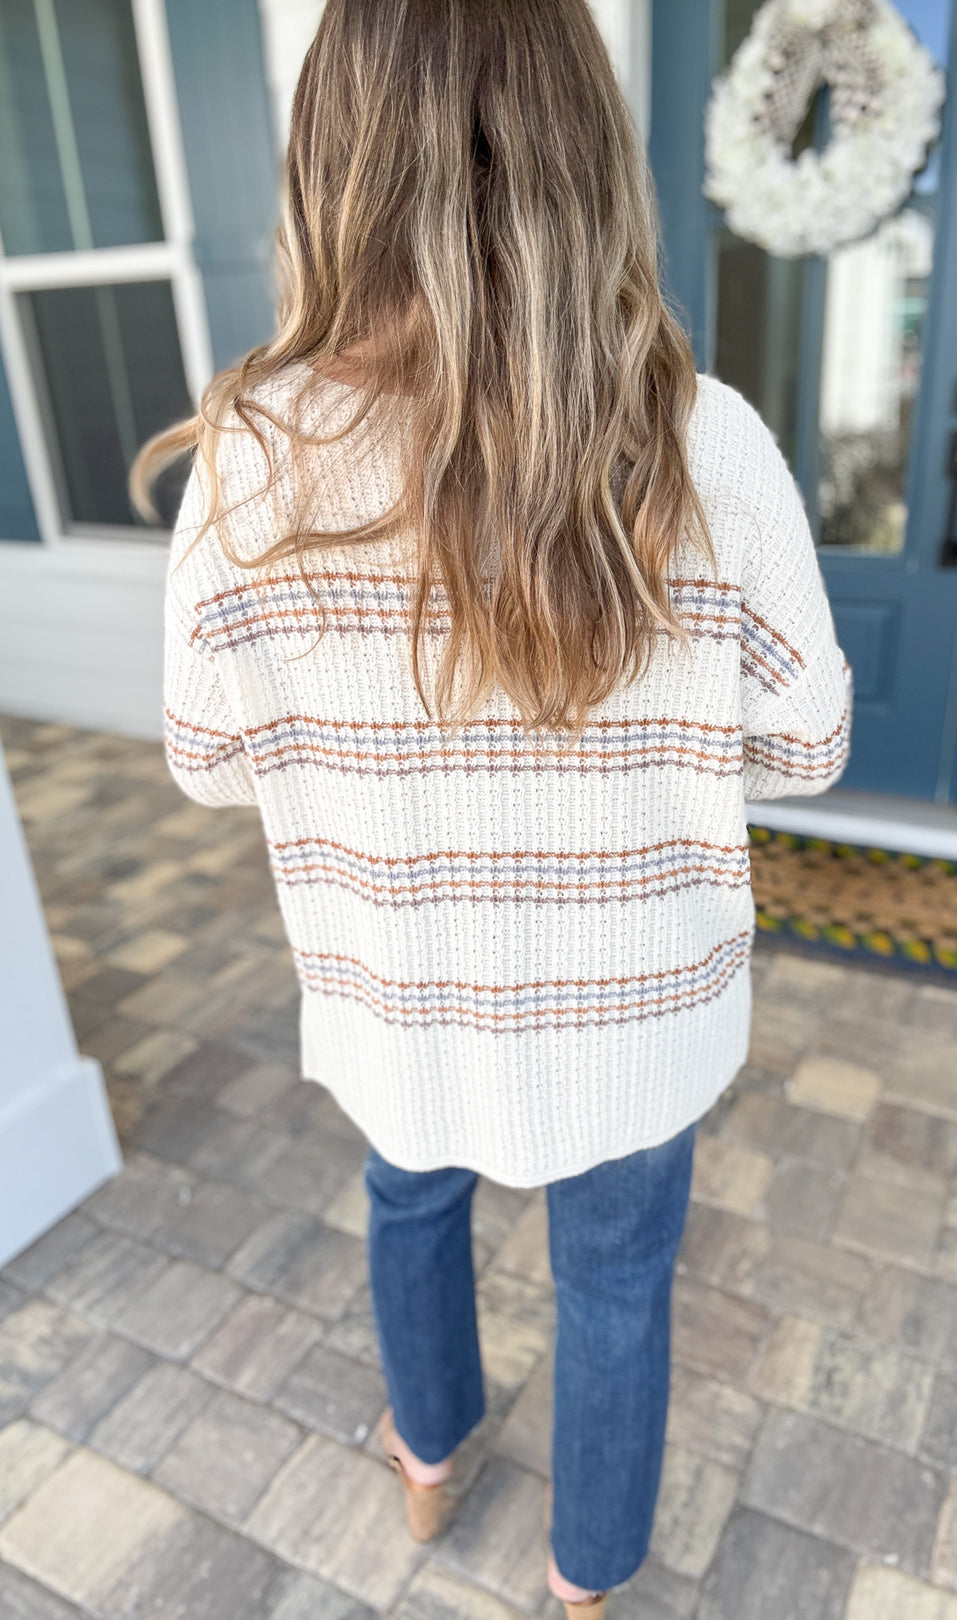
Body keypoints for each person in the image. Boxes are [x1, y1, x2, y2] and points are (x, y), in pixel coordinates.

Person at [132, 1, 852, 1610]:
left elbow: (201, 757)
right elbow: (806, 746)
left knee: (408, 1195)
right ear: (585, 158)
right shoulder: (702, 441)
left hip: (399, 992)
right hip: (640, 1009)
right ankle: (591, 1574)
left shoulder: (246, 459)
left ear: (331, 162)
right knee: (614, 1278)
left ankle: (431, 1459)